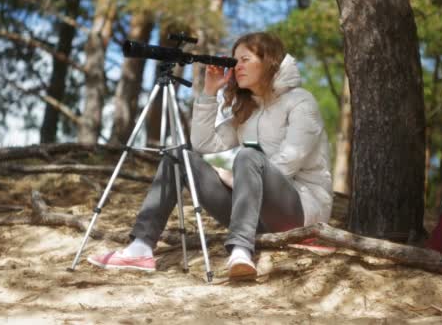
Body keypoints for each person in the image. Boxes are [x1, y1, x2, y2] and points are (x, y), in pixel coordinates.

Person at [87, 32, 333, 280]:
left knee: (248, 157)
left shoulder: (301, 102)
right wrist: (208, 93)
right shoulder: (248, 108)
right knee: (179, 157)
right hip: (254, 215)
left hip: (301, 212)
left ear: (268, 60)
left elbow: (289, 162)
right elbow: (203, 144)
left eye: (245, 59)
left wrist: (234, 177)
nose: (238, 66)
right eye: (235, 60)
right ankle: (140, 247)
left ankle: (240, 252)